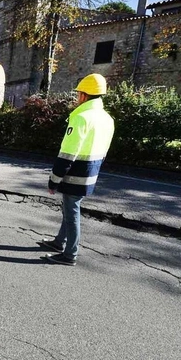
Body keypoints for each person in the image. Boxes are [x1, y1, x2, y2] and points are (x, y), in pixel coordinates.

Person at [41, 73, 115, 266]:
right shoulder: (107, 119)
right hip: (91, 173)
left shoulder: (81, 118)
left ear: (84, 95)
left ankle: (69, 254)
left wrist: (54, 180)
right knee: (69, 210)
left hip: (75, 175)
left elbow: (67, 154)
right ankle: (59, 243)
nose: (77, 98)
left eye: (78, 94)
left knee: (72, 213)